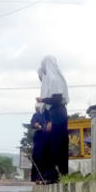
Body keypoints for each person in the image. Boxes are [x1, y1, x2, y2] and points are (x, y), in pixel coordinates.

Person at [37, 55, 69, 183]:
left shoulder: (54, 79)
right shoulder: (50, 80)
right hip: (54, 114)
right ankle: (53, 175)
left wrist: (43, 100)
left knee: (54, 146)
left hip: (57, 115)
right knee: (52, 146)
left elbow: (57, 99)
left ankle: (54, 176)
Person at [30, 102, 47, 183]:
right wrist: (36, 125)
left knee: (46, 156)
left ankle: (45, 177)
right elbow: (33, 124)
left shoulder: (47, 114)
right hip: (39, 136)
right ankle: (38, 177)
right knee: (38, 156)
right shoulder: (36, 115)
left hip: (46, 136)